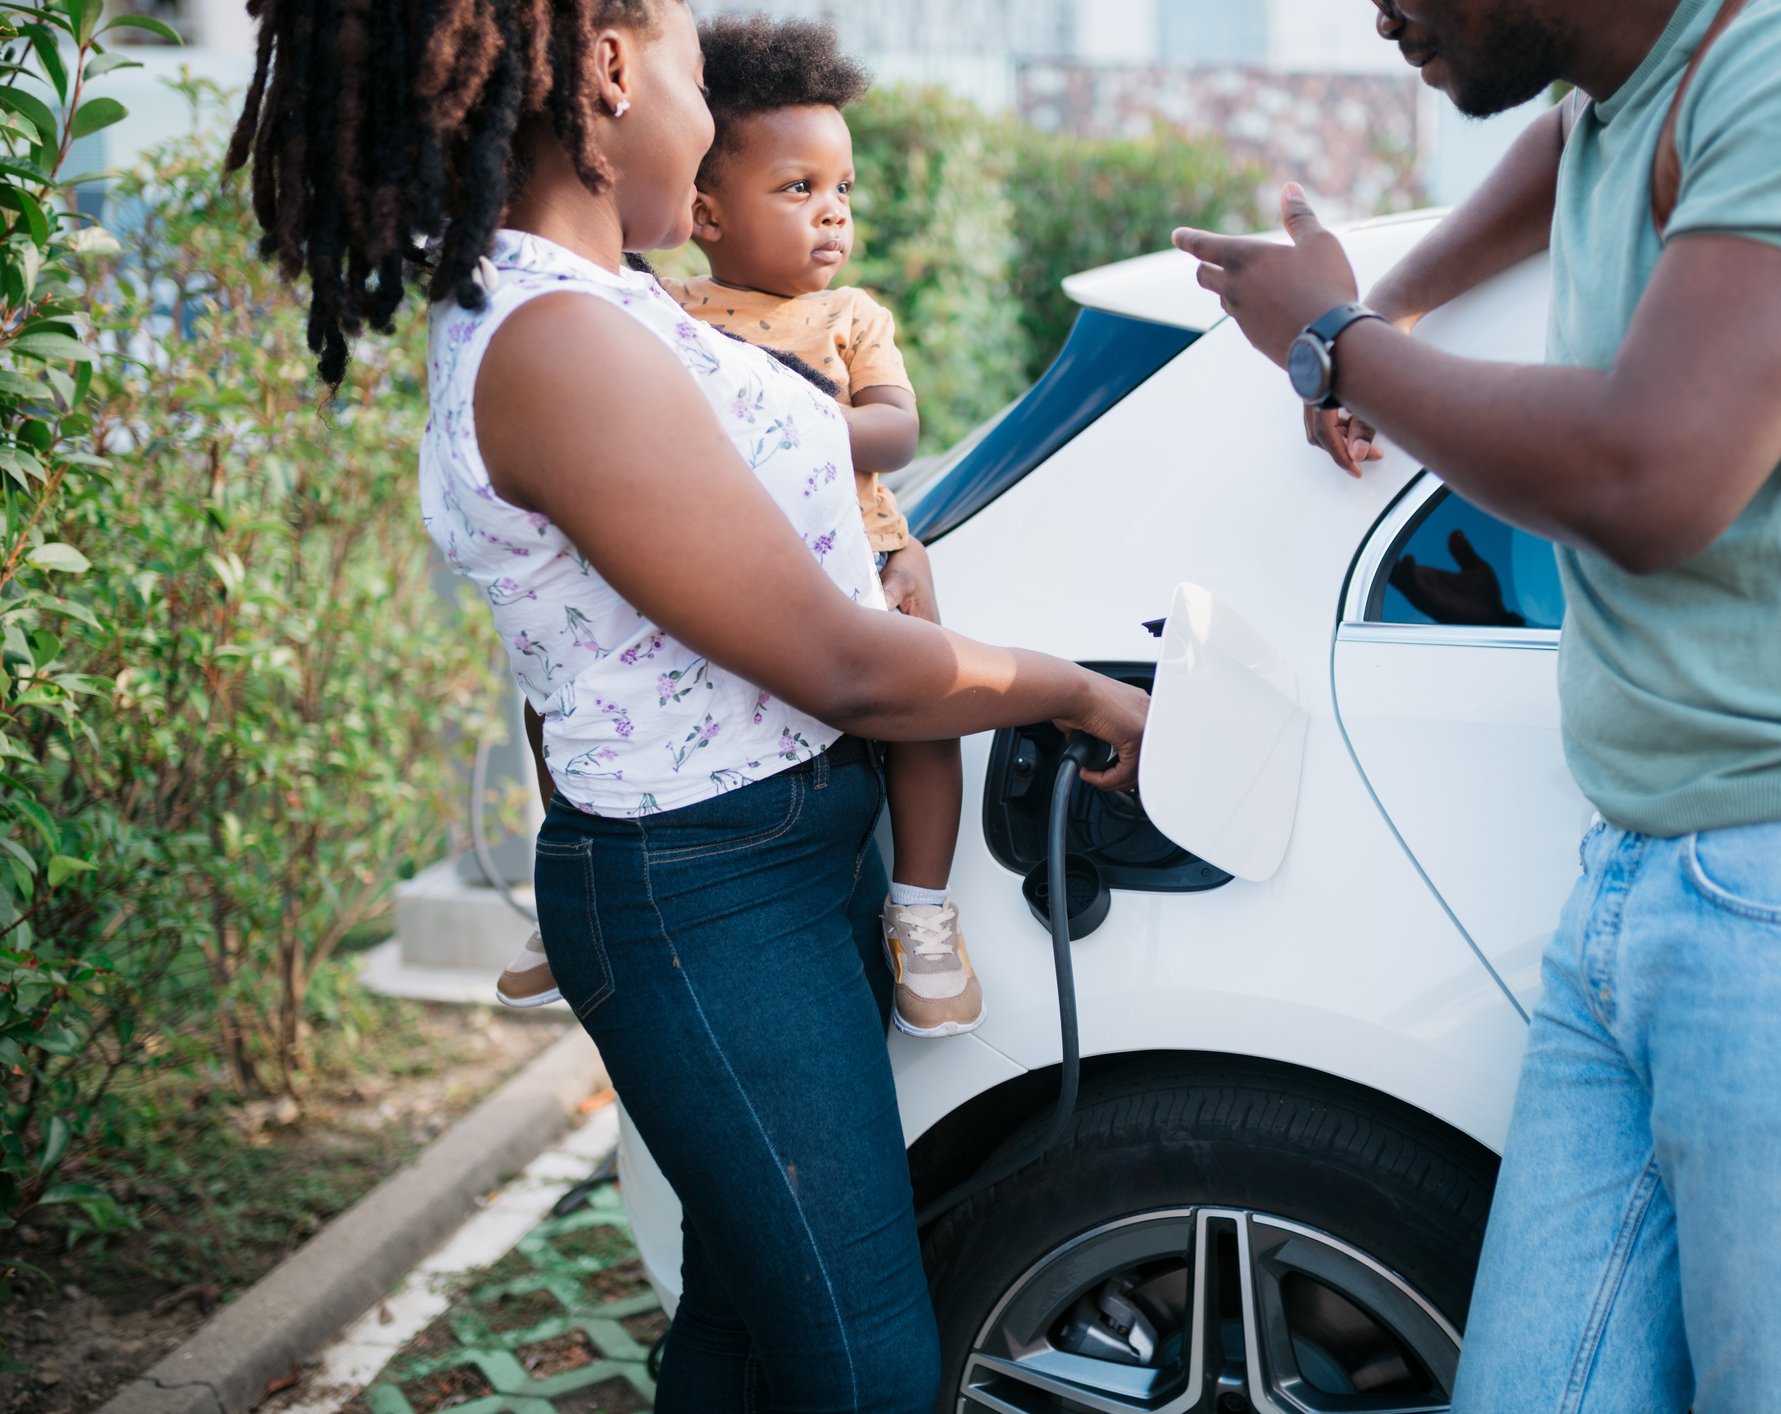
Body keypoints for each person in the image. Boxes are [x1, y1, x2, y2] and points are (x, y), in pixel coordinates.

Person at [1173, 0, 1781, 1409]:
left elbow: (1648, 478)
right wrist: (1405, 290)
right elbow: (1561, 142)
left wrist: (1340, 344)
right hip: (1649, 877)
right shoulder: (1630, 87)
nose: (1374, 14)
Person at [226, 4, 1147, 1410]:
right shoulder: (555, 342)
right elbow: (833, 663)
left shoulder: (610, 298)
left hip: (760, 856)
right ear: (607, 70)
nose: (707, 117)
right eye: (695, 78)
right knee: (864, 1365)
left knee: (746, 1321)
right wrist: (1078, 691)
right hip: (712, 889)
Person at [664, 14, 982, 1039]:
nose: (832, 215)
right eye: (799, 190)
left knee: (926, 717)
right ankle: (566, 902)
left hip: (868, 551)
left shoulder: (849, 317)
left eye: (842, 190)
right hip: (750, 573)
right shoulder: (667, 315)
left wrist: (786, 427)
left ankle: (922, 910)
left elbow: (894, 430)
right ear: (705, 210)